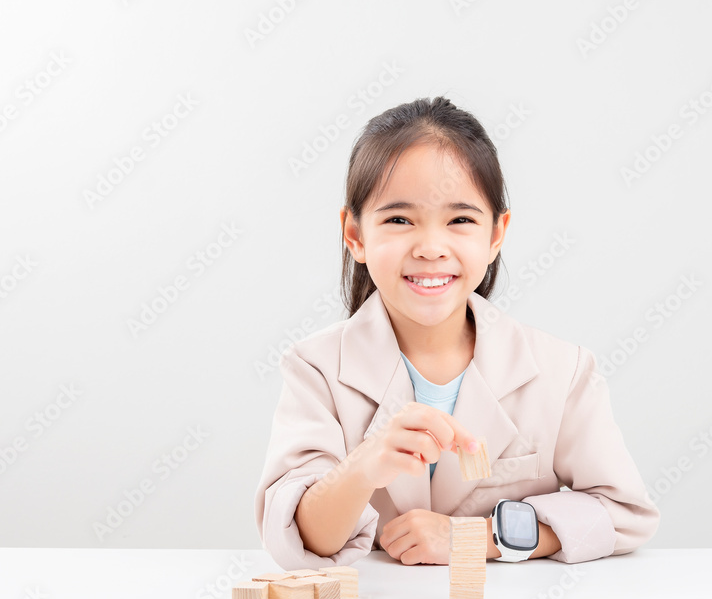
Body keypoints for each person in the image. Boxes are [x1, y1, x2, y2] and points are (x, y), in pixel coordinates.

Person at [254, 96, 659, 571]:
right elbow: (298, 537)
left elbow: (624, 513)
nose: (430, 248)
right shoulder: (316, 368)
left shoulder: (562, 371)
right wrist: (363, 466)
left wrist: (479, 538)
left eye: (460, 220)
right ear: (356, 235)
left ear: (496, 235)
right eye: (399, 220)